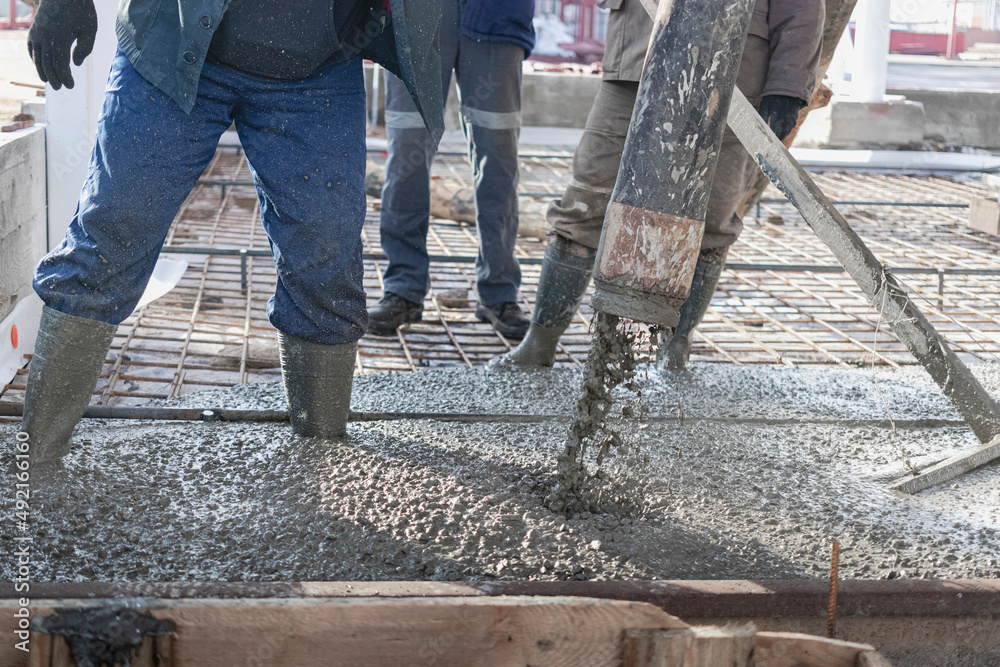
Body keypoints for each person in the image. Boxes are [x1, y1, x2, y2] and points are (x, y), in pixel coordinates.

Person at [22, 0, 444, 466]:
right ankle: (35, 465)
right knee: (111, 237)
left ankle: (321, 466)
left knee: (327, 257)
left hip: (318, 66)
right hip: (173, 45)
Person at [496, 0, 824, 368]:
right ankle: (539, 342)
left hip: (734, 72)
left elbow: (803, 6)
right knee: (585, 204)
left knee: (712, 218)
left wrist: (789, 84)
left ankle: (674, 350)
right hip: (638, 59)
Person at [367, 0, 536, 339]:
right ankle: (404, 287)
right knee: (406, 158)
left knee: (498, 160)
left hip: (497, 16)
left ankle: (500, 291)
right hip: (417, 18)